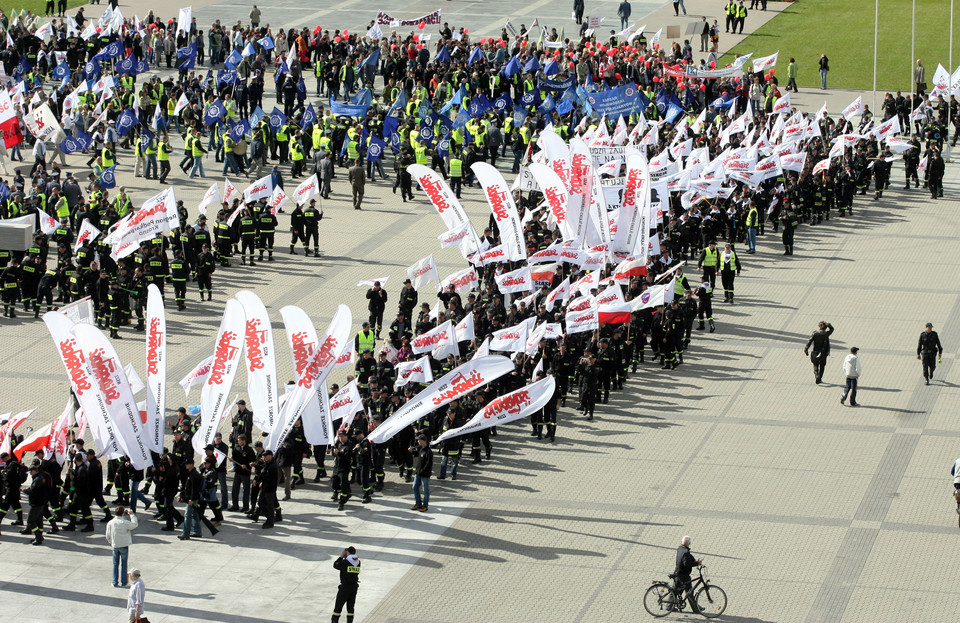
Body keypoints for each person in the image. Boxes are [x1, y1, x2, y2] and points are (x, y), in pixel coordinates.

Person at [105, 505, 139, 587]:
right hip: (124, 545)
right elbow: (134, 524)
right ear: (123, 513)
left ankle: (114, 582)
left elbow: (107, 535)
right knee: (124, 565)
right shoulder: (124, 522)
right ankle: (124, 582)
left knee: (115, 564)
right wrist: (132, 514)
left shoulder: (110, 523)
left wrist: (112, 542)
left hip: (115, 545)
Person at [332, 546, 361, 623]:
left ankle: (335, 621)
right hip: (354, 587)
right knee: (350, 608)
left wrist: (341, 556)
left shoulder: (345, 562)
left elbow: (335, 565)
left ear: (348, 552)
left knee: (338, 607)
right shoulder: (358, 562)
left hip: (345, 587)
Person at [411, 434, 432, 512]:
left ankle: (425, 505)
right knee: (415, 487)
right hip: (418, 473)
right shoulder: (421, 449)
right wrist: (412, 451)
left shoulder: (428, 452)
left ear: (423, 441)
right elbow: (417, 454)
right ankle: (418, 503)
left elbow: (428, 464)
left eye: (419, 440)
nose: (417, 441)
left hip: (424, 474)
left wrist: (422, 471)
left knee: (426, 490)